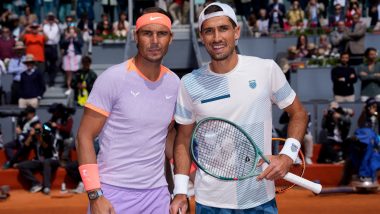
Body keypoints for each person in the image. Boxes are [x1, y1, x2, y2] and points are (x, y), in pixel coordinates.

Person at [170, 3, 308, 213]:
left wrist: (288, 155)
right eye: (209, 31)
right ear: (201, 37)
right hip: (211, 203)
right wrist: (180, 190)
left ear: (237, 32)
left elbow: (298, 113)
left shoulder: (266, 69)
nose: (216, 38)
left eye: (223, 28)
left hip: (260, 199)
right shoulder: (189, 83)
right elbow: (183, 139)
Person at [76, 7, 179, 214]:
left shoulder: (175, 83)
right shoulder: (113, 78)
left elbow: (167, 140)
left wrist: (180, 185)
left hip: (157, 194)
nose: (155, 40)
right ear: (136, 36)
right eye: (147, 33)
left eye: (161, 33)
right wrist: (95, 195)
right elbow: (84, 136)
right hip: (113, 194)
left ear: (171, 38)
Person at [17, 121, 60, 195]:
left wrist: (39, 137)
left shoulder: (49, 135)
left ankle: (46, 187)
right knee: (21, 165)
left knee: (46, 162)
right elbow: (25, 147)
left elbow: (47, 149)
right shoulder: (35, 137)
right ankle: (36, 183)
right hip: (40, 161)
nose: (38, 131)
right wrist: (30, 136)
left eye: (39, 129)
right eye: (36, 129)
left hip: (53, 160)